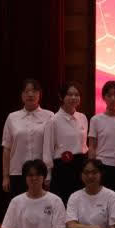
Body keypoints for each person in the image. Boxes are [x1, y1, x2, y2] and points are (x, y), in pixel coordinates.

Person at [2, 78, 53, 197]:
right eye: (26, 91)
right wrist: (5, 176)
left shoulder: (49, 116)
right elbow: (6, 149)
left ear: (40, 94)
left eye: (34, 91)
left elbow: (52, 147)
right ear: (22, 95)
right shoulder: (12, 117)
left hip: (41, 173)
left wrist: (49, 173)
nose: (30, 94)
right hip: (17, 173)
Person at [43, 81, 89, 209]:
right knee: (64, 205)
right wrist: (48, 176)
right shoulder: (53, 121)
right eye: (69, 94)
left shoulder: (83, 117)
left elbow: (84, 145)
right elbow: (47, 150)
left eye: (77, 94)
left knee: (80, 206)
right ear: (61, 97)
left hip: (81, 167)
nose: (73, 97)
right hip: (63, 168)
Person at [88, 80, 115, 194]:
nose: (113, 99)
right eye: (109, 95)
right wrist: (91, 169)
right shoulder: (96, 119)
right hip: (102, 166)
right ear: (104, 97)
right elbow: (92, 146)